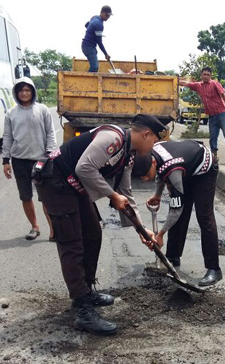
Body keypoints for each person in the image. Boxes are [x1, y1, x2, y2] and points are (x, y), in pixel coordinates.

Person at [32, 114, 166, 336]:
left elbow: (126, 196)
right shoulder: (112, 139)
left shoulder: (127, 155)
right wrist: (111, 195)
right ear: (146, 134)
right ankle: (82, 308)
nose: (154, 147)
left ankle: (87, 290)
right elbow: (84, 168)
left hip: (75, 186)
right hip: (56, 182)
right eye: (154, 141)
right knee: (72, 243)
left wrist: (142, 230)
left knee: (93, 234)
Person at [139, 140, 222, 286]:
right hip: (187, 167)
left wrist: (160, 234)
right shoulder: (153, 152)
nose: (145, 179)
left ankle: (214, 269)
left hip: (204, 170)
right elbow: (161, 173)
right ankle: (172, 257)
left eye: (145, 175)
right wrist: (158, 195)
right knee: (181, 215)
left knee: (204, 217)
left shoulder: (173, 168)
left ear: (151, 163)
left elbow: (175, 209)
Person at [2, 77, 56, 241]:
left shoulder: (42, 109)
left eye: (27, 90)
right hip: (19, 161)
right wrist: (6, 160)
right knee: (25, 196)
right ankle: (35, 227)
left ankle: (54, 230)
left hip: (41, 160)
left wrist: (50, 154)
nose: (24, 93)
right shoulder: (11, 114)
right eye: (21, 90)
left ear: (32, 92)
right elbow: (7, 138)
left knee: (47, 197)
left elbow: (50, 133)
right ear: (16, 93)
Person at [179, 67, 225, 164]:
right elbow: (187, 84)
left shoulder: (215, 84)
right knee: (213, 137)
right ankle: (214, 156)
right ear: (201, 75)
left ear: (210, 76)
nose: (206, 76)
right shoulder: (199, 86)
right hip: (212, 115)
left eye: (208, 75)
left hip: (221, 113)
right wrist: (177, 81)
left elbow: (224, 95)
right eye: (204, 74)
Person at [82, 5, 112, 73]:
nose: (108, 17)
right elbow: (99, 42)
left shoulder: (95, 17)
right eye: (106, 15)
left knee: (95, 66)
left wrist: (93, 33)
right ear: (101, 12)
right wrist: (106, 54)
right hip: (89, 47)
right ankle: (88, 82)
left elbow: (86, 25)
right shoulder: (99, 24)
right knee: (94, 66)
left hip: (86, 45)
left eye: (109, 16)